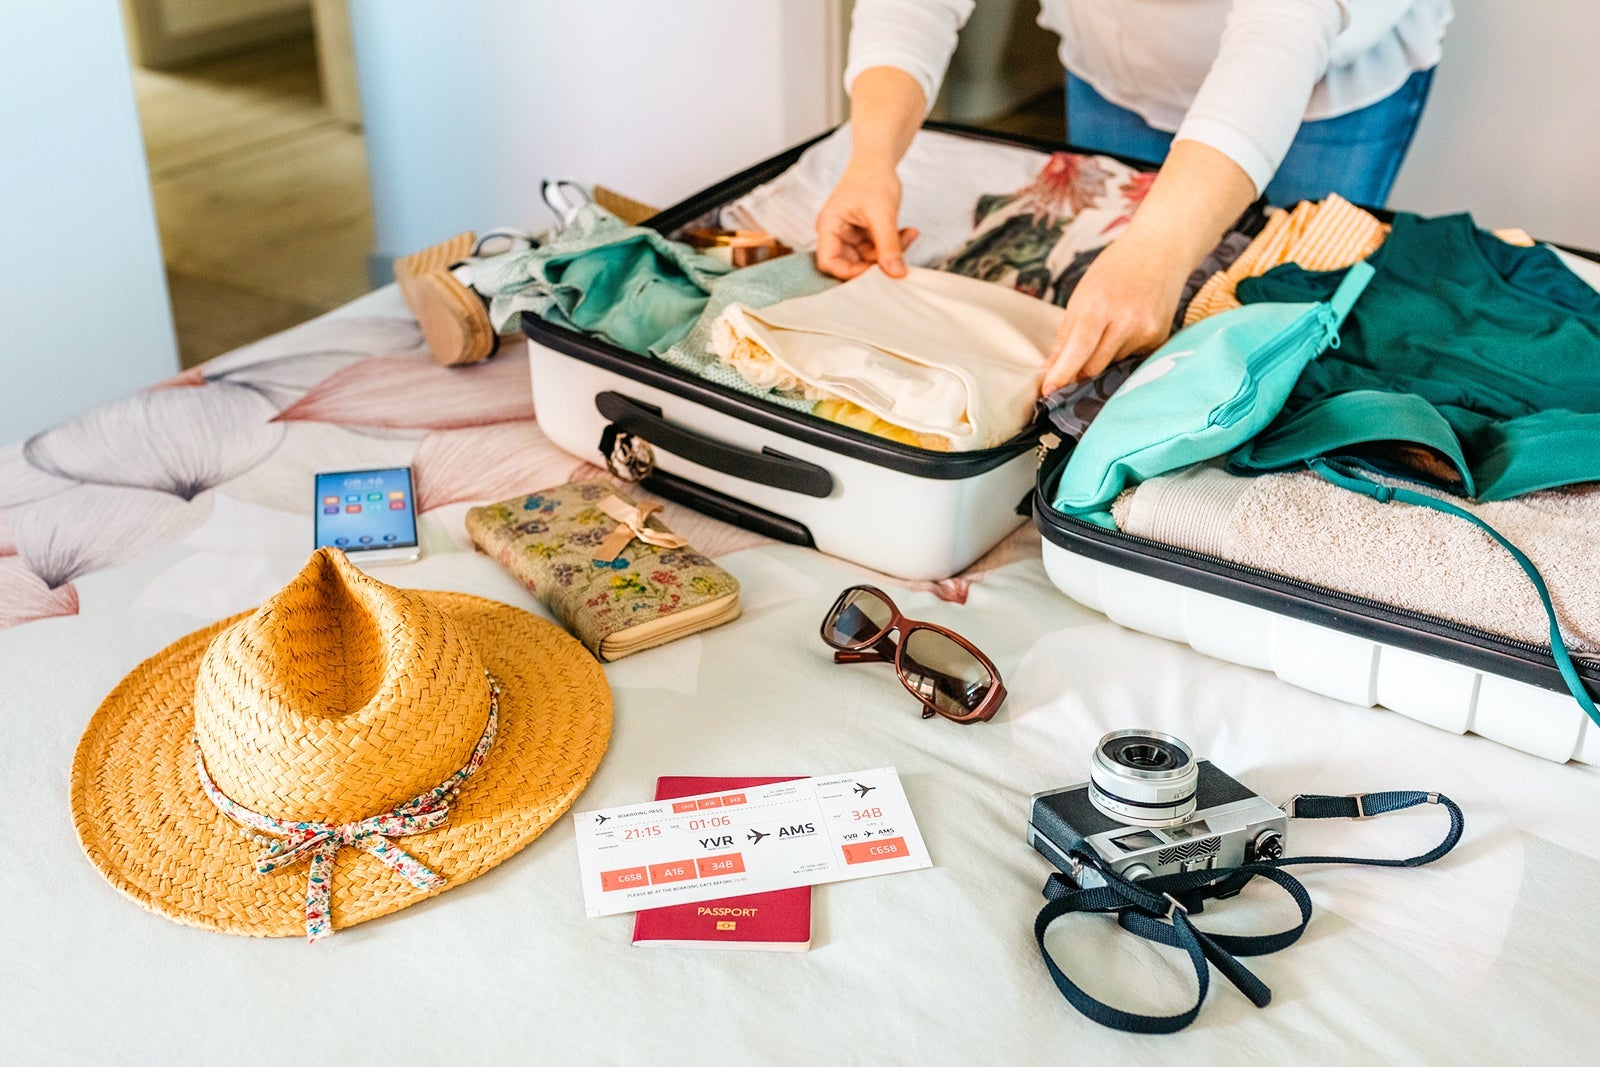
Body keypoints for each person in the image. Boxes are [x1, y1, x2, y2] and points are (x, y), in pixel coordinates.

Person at [816, 0, 1451, 394]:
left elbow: (1283, 28)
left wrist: (1157, 251)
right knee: (1111, 312)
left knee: (1283, 327)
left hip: (1316, 82)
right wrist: (871, 159)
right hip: (1116, 64)